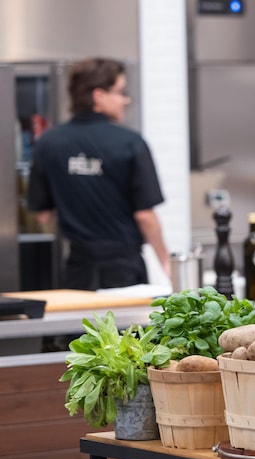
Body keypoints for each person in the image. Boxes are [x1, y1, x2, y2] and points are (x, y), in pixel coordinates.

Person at [27, 57, 170, 291]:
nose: (126, 100)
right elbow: (145, 216)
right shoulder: (130, 143)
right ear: (99, 96)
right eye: (121, 92)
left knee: (80, 327)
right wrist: (165, 261)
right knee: (123, 328)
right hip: (123, 272)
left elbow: (43, 215)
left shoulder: (48, 143)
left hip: (77, 270)